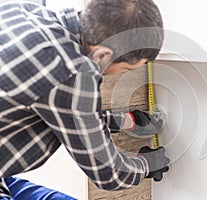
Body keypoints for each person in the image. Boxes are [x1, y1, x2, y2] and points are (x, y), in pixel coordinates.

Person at [0, 0, 169, 199]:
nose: (119, 74)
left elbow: (64, 111)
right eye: (126, 69)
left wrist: (126, 120)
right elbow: (110, 174)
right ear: (104, 54)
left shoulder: (26, 11)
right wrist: (148, 164)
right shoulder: (70, 71)